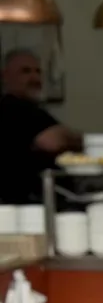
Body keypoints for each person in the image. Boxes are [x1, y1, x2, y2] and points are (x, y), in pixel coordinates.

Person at [0, 49, 82, 203]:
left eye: (38, 72)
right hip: (29, 203)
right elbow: (50, 141)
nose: (35, 78)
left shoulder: (32, 109)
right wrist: (79, 139)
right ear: (5, 76)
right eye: (25, 71)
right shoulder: (13, 108)